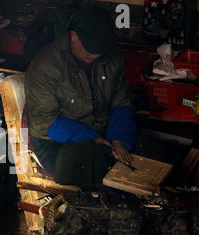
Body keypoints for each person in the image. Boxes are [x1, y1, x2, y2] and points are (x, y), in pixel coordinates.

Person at [24, 5, 154, 190]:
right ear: (73, 35)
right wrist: (92, 139)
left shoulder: (111, 57)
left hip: (102, 132)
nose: (95, 54)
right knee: (91, 164)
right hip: (57, 142)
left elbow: (122, 102)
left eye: (100, 49)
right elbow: (44, 123)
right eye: (90, 48)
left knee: (150, 152)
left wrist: (119, 139)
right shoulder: (45, 66)